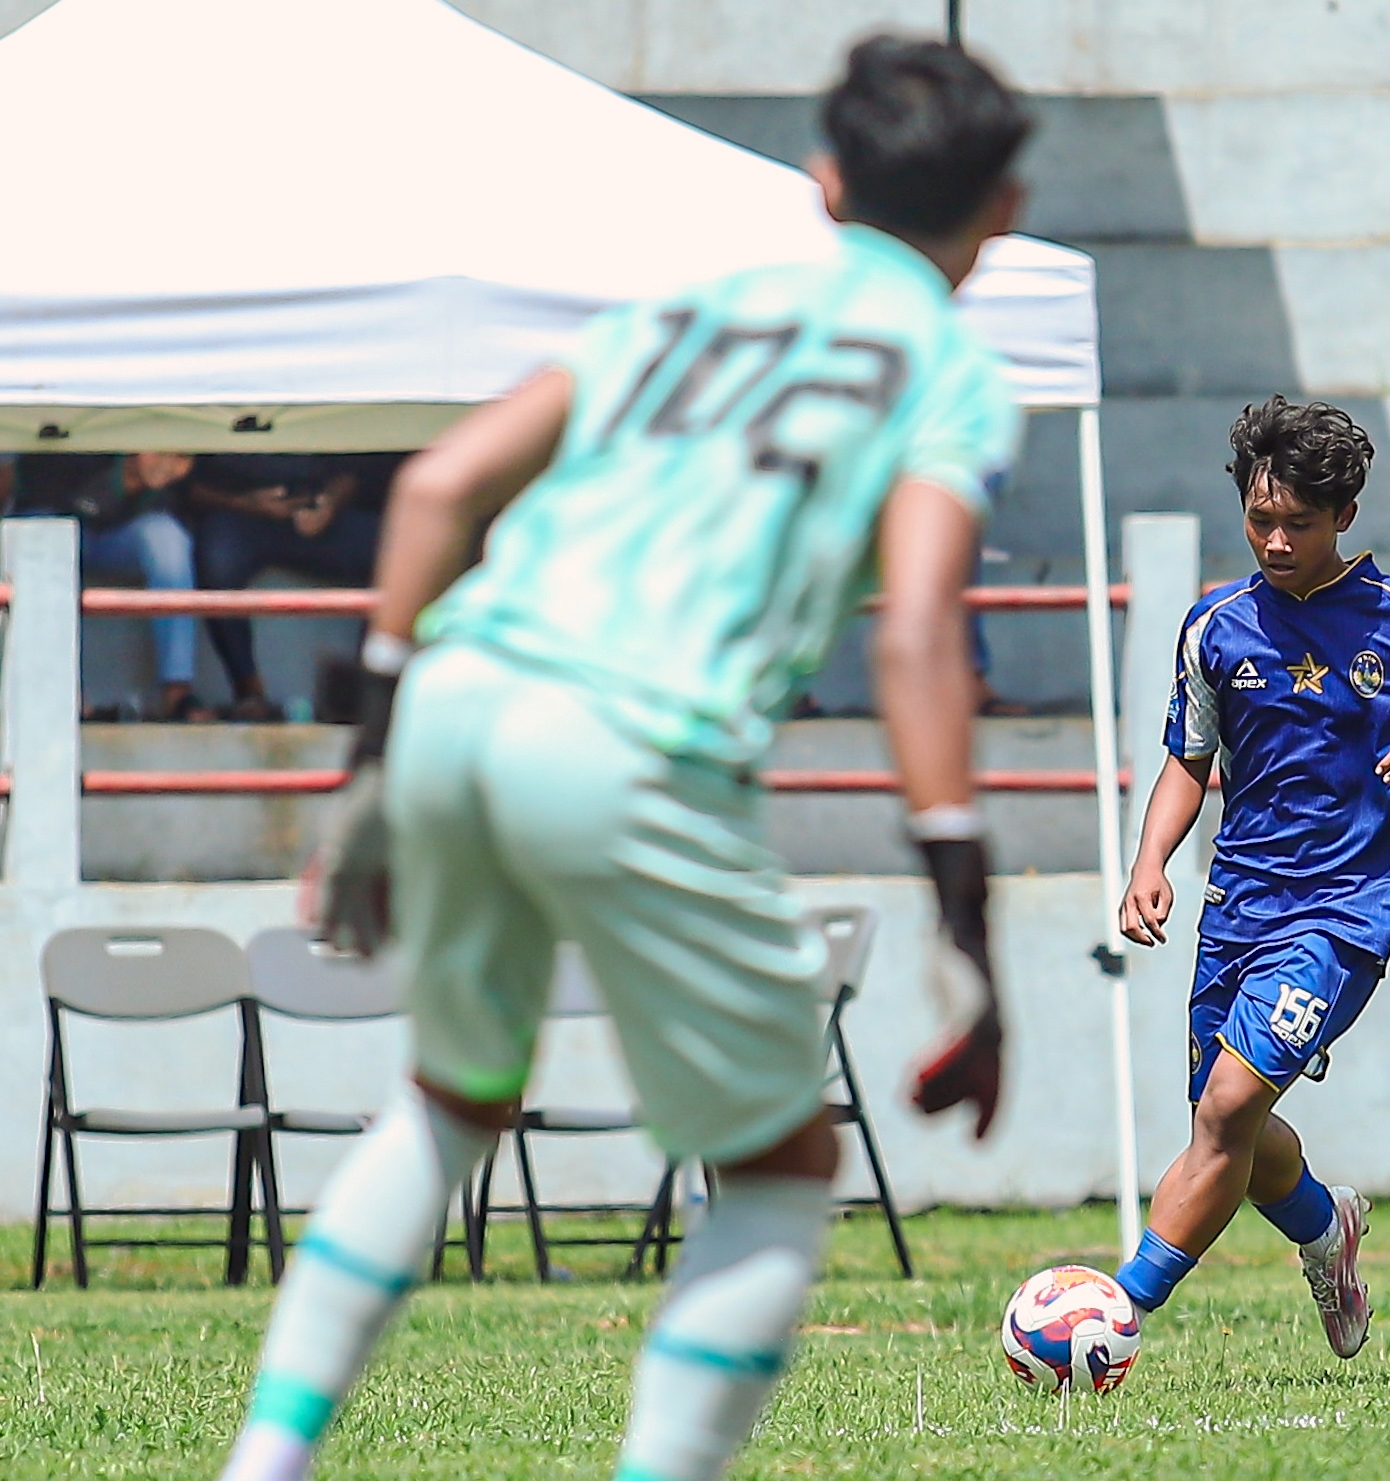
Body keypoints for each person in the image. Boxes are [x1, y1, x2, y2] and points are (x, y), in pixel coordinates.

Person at [217, 36, 1028, 1481]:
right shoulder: (947, 369)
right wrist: (965, 914)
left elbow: (442, 483)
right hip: (632, 739)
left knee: (453, 1095)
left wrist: (369, 761)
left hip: (459, 690)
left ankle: (262, 1466)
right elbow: (914, 637)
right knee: (781, 1167)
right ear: (1006, 209)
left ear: (822, 185)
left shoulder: (691, 304)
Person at [1111, 396, 1390, 1357]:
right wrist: (1149, 862)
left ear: (1343, 514)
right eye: (1259, 519)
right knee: (1228, 1123)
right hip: (1240, 904)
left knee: (1227, 1109)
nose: (1274, 540)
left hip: (1348, 905)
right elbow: (1189, 758)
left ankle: (1113, 1314)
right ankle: (1326, 1231)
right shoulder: (1214, 626)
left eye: (1296, 524)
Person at [187, 453, 397, 720]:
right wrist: (246, 503)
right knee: (217, 556)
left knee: (396, 552)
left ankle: (364, 696)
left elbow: (362, 464)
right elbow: (185, 485)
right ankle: (248, 693)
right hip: (242, 515)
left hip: (322, 516)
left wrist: (329, 502)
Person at [15, 451, 211, 720]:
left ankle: (177, 692)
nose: (169, 464)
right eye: (159, 453)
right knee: (42, 538)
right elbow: (47, 497)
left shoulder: (173, 480)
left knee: (168, 538)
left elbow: (183, 505)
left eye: (181, 457)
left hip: (119, 539)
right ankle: (62, 694)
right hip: (60, 526)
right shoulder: (82, 444)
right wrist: (122, 479)